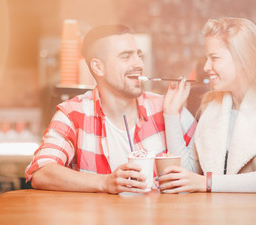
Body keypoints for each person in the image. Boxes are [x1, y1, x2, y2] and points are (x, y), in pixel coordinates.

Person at [25, 24, 196, 194]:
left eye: (139, 55)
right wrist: (105, 182)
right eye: (125, 56)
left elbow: (203, 172)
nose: (139, 64)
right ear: (98, 67)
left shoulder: (168, 108)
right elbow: (41, 172)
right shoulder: (72, 114)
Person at [159, 17, 256, 193]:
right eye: (207, 58)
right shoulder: (211, 106)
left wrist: (207, 183)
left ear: (243, 59)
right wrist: (171, 114)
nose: (206, 66)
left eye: (214, 58)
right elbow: (189, 175)